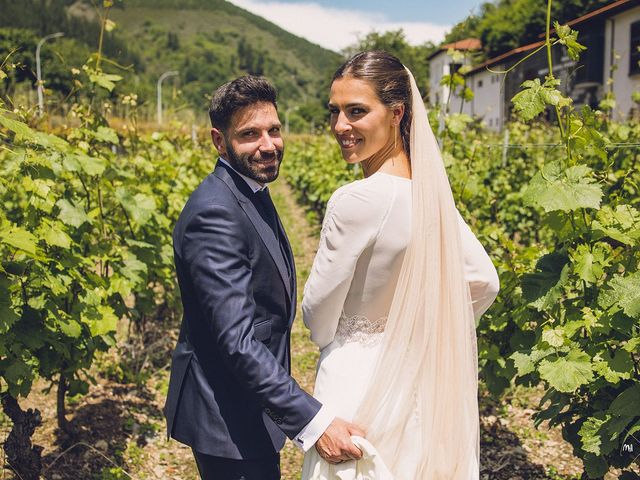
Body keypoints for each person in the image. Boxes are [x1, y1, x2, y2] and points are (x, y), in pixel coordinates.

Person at [301, 51, 500, 479]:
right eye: (334, 111)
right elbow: (484, 281)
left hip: (355, 385)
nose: (340, 126)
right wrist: (422, 329)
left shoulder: (354, 200)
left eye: (356, 111)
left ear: (396, 114)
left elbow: (317, 320)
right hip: (416, 384)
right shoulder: (433, 199)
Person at [163, 75, 364, 480]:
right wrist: (314, 421)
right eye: (250, 134)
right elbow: (237, 342)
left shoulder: (249, 188)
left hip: (246, 401)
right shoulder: (214, 214)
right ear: (220, 142)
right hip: (226, 412)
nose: (268, 145)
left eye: (274, 130)